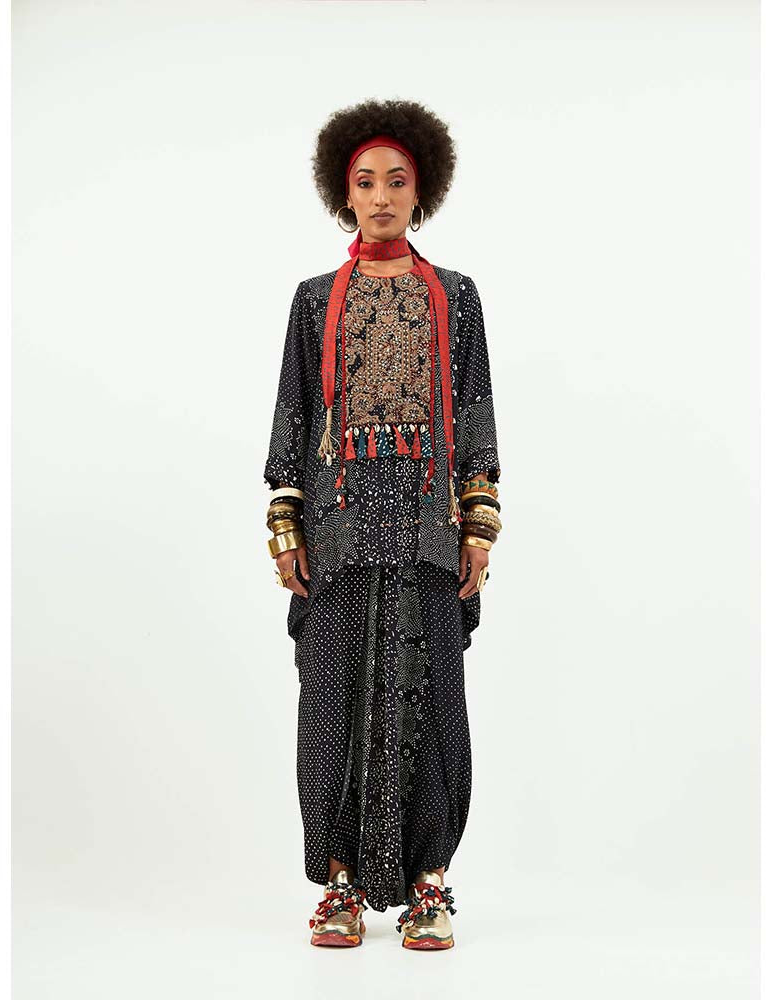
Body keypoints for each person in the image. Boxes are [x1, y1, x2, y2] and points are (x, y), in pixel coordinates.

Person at [262, 98, 503, 950]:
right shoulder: (313, 302)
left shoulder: (457, 299)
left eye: (397, 181)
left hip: (429, 527)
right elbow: (295, 412)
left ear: (421, 190)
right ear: (343, 193)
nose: (380, 197)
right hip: (338, 529)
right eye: (364, 182)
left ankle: (430, 884)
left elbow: (473, 414)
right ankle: (339, 886)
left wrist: (478, 525)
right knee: (330, 699)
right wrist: (286, 525)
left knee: (436, 700)